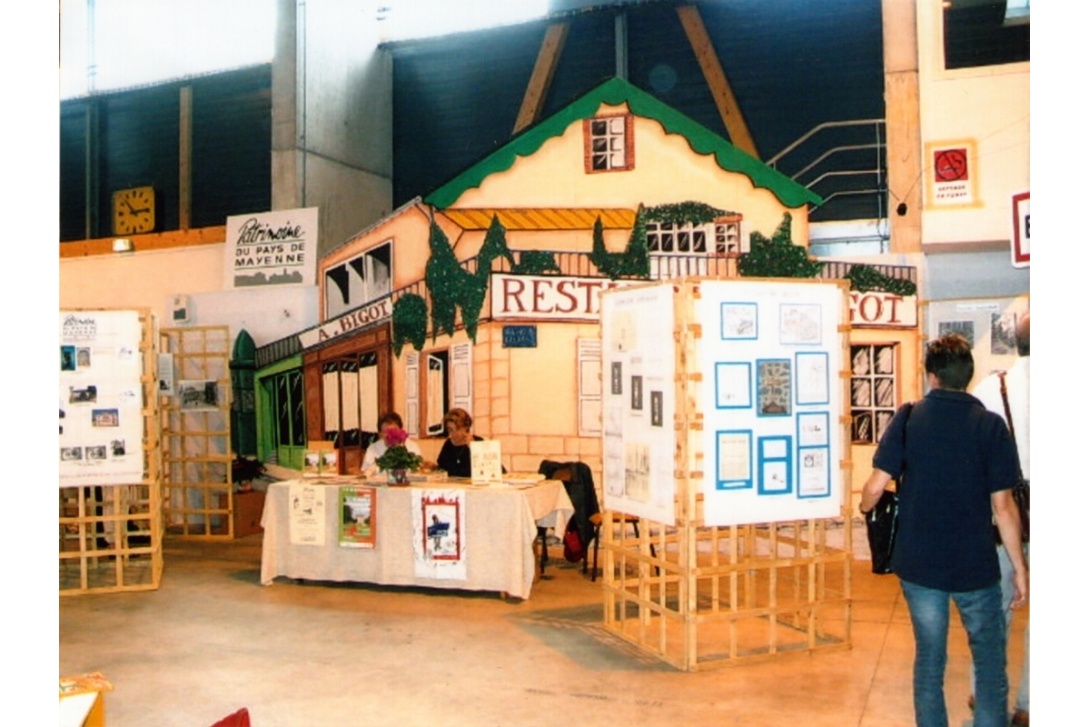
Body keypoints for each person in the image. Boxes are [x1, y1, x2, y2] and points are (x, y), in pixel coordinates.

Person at [860, 334, 1028, 727]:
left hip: (920, 566)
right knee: (989, 662)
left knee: (930, 660)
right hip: (976, 566)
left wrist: (865, 506)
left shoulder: (908, 417)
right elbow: (1003, 507)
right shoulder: (990, 426)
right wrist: (1019, 568)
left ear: (931, 376)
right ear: (967, 377)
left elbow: (875, 486)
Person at [970, 312, 1030, 726]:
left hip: (1001, 512)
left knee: (996, 609)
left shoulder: (993, 388)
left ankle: (987, 695)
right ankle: (1030, 704)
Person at [360, 411, 422, 476]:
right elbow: (364, 474)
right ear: (380, 434)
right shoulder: (372, 449)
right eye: (385, 432)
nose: (389, 434)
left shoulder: (412, 447)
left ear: (401, 430)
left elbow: (418, 470)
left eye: (393, 431)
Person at [436, 407, 482, 478]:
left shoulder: (478, 442)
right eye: (450, 430)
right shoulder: (448, 445)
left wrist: (474, 449)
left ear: (466, 427)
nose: (452, 434)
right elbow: (442, 468)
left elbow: (495, 469)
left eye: (457, 429)